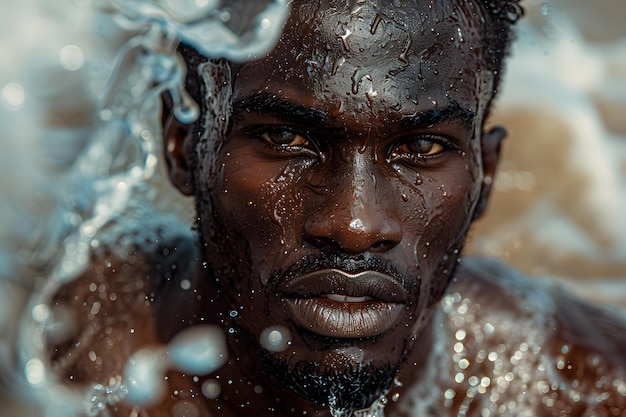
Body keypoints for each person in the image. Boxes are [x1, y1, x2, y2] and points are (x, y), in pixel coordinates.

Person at [48, 0, 626, 416]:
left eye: (421, 148)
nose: (354, 225)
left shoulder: (579, 389)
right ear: (183, 146)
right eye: (287, 140)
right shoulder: (64, 359)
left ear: (487, 174)